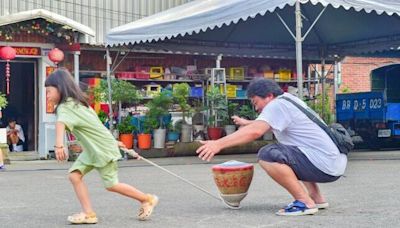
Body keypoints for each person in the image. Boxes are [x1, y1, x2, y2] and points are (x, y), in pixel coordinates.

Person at [196, 78, 347, 216]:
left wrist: (217, 144)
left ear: (268, 96)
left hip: (324, 165)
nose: (256, 108)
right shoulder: (288, 99)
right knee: (293, 152)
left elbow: (256, 131)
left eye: (255, 102)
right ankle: (316, 198)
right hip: (332, 163)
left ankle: (305, 203)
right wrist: (248, 123)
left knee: (268, 154)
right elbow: (267, 125)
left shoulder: (277, 105)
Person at [45, 68, 158, 224]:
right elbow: (96, 126)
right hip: (93, 150)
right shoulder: (79, 104)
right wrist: (113, 141)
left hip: (101, 150)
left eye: (49, 91)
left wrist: (58, 146)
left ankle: (147, 199)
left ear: (60, 88)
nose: (48, 95)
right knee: (74, 176)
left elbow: (61, 123)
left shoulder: (66, 107)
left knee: (111, 185)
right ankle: (89, 214)